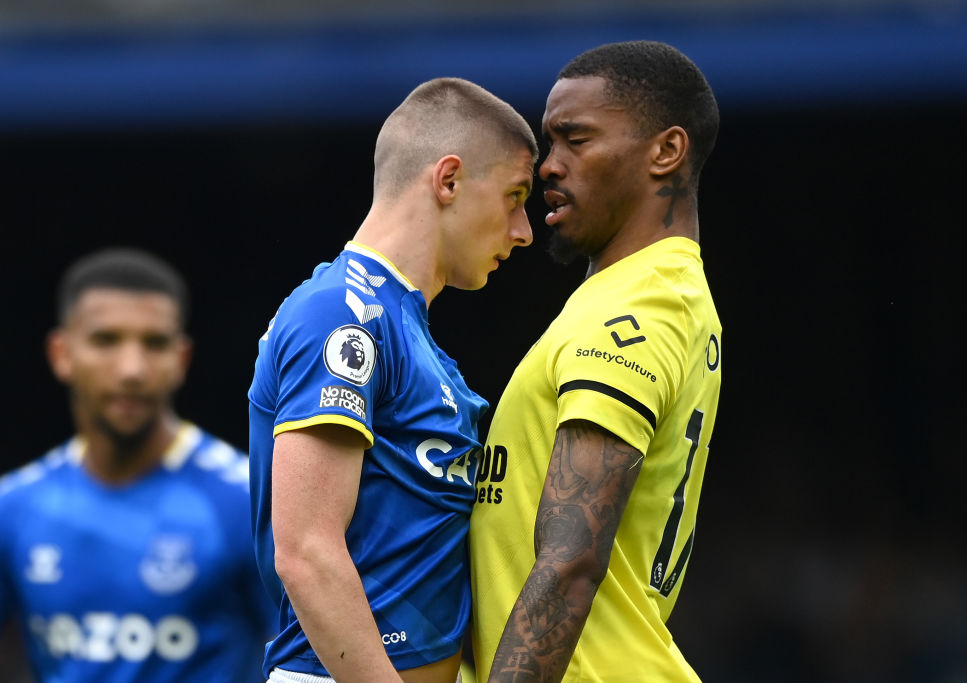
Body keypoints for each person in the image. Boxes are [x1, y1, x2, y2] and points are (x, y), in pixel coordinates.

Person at [248, 76, 537, 683]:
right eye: (514, 196)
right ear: (449, 180)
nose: (523, 230)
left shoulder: (408, 330)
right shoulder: (340, 314)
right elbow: (305, 553)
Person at [464, 40, 723, 682]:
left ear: (666, 151)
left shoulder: (638, 308)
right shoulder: (650, 292)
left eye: (574, 140)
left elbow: (569, 563)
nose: (548, 167)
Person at [0, 247, 276, 682]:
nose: (132, 369)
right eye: (105, 340)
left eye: (155, 343)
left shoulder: (249, 501)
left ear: (181, 359)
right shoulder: (13, 509)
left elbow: (308, 663)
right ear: (61, 354)